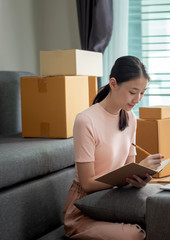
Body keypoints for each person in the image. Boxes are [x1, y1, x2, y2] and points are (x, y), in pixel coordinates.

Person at [63, 56, 164, 240]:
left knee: (163, 217)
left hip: (114, 199)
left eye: (143, 93)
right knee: (134, 234)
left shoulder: (130, 117)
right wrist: (124, 179)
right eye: (133, 92)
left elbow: (128, 169)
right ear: (113, 83)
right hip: (84, 207)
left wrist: (139, 178)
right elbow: (87, 183)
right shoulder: (86, 120)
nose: (138, 99)